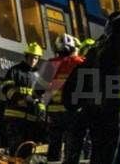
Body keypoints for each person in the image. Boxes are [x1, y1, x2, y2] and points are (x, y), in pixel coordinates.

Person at [62, 15, 120, 164]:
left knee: (98, 152)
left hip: (93, 111)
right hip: (111, 113)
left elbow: (77, 78)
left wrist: (74, 104)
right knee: (107, 154)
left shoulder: (94, 51)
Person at [43, 34, 84, 162]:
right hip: (72, 110)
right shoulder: (80, 62)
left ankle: (52, 162)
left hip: (54, 112)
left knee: (54, 142)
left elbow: (39, 89)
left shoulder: (51, 64)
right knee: (71, 141)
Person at [1, 42, 46, 158]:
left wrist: (41, 115)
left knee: (27, 152)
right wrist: (19, 99)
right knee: (15, 149)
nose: (33, 60)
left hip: (31, 120)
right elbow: (6, 87)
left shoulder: (38, 76)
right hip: (15, 117)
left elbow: (42, 97)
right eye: (31, 57)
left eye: (36, 58)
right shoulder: (15, 71)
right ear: (26, 56)